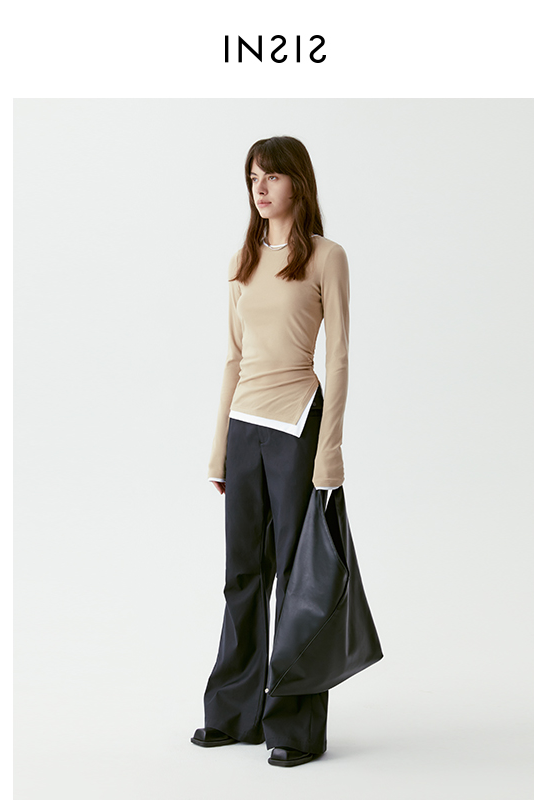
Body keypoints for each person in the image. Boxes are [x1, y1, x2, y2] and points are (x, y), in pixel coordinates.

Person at [191, 135, 350, 768]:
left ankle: (295, 727)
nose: (260, 187)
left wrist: (330, 449)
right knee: (242, 575)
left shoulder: (327, 258)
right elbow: (233, 358)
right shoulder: (242, 259)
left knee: (297, 578)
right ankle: (235, 714)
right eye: (253, 177)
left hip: (296, 423)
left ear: (297, 183)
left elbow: (337, 358)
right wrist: (218, 449)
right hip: (245, 427)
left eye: (273, 176)